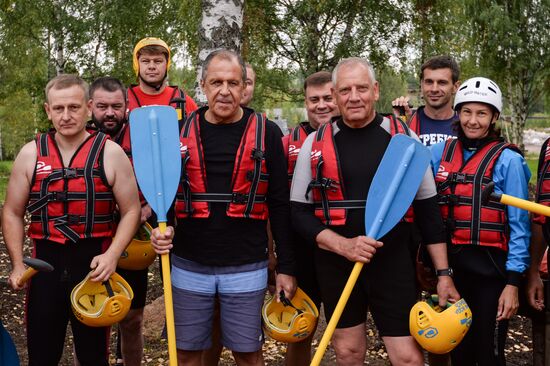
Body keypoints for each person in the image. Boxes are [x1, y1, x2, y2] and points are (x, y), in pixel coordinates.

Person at [290, 57, 459, 365]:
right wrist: (343, 245)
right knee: (348, 352)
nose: (354, 97)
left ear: (376, 91)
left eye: (362, 88)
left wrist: (443, 274)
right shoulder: (314, 144)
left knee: (407, 357)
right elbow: (299, 214)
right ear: (335, 93)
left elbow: (429, 213)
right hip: (335, 262)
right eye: (345, 90)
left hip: (392, 262)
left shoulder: (404, 139)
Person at [151, 49, 296, 366]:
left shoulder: (268, 133)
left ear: (245, 86)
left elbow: (280, 206)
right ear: (202, 84)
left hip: (247, 266)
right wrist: (159, 232)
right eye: (216, 82)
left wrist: (286, 266)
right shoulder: (178, 132)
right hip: (189, 264)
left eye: (233, 82)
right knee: (187, 354)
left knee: (248, 354)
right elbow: (162, 198)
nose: (225, 91)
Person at [2, 74, 141, 366]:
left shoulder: (110, 153)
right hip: (44, 268)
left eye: (74, 107)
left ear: (89, 107)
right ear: (47, 110)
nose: (66, 116)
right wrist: (17, 263)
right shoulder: (30, 154)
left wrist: (113, 255)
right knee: (41, 354)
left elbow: (131, 211)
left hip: (93, 266)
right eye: (59, 108)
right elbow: (12, 211)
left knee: (93, 356)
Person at [430, 77, 530, 365]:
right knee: (459, 352)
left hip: (493, 275)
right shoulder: (439, 154)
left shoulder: (508, 161)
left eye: (482, 113)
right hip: (452, 272)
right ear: (457, 113)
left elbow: (520, 226)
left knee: (488, 353)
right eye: (467, 112)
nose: (473, 121)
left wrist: (513, 284)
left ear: (494, 116)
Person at [89, 77, 146, 366]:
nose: (109, 113)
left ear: (126, 106)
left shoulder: (142, 137)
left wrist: (145, 209)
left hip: (132, 241)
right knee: (90, 317)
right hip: (92, 239)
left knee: (132, 318)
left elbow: (159, 182)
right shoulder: (80, 138)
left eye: (116, 106)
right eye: (102, 106)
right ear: (90, 107)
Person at [282, 70, 338, 365]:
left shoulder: (351, 139)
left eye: (328, 98)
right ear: (305, 102)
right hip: (301, 249)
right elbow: (275, 205)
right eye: (314, 99)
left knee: (344, 331)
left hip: (340, 247)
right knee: (301, 329)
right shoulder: (285, 143)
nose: (322, 105)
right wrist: (276, 255)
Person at [392, 55, 460, 146]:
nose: (434, 89)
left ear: (455, 87)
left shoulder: (466, 124)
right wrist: (400, 125)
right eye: (429, 82)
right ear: (421, 84)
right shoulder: (407, 120)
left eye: (442, 83)